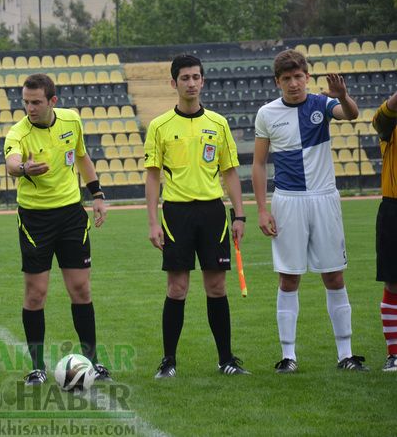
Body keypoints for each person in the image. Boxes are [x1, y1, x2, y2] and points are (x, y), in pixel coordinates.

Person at [252, 49, 368, 373]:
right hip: (288, 201)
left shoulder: (322, 103)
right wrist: (262, 210)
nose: (293, 83)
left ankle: (345, 353)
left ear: (307, 76)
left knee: (333, 275)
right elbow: (259, 164)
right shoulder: (267, 114)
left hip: (323, 198)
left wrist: (343, 95)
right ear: (278, 82)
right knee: (288, 279)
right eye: (286, 78)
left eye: (298, 76)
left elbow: (353, 114)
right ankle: (288, 356)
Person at [145, 55, 248, 378]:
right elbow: (151, 176)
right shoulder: (159, 126)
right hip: (176, 213)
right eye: (185, 78)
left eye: (196, 77)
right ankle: (169, 362)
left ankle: (226, 360)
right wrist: (152, 222)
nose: (191, 83)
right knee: (177, 288)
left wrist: (240, 215)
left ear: (203, 81)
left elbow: (230, 172)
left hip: (213, 212)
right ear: (173, 83)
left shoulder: (218, 124)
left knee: (217, 287)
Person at [4, 73, 110, 385]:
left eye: (36, 102)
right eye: (25, 102)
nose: (29, 108)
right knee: (36, 293)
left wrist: (98, 195)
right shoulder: (18, 133)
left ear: (53, 101)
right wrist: (24, 168)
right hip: (35, 219)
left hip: (71, 215)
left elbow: (82, 156)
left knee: (81, 289)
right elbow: (11, 163)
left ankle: (93, 361)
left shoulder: (71, 121)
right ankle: (37, 367)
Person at [372, 91, 397, 372]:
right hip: (394, 208)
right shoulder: (389, 123)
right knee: (393, 283)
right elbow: (380, 119)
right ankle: (394, 353)